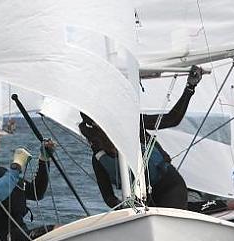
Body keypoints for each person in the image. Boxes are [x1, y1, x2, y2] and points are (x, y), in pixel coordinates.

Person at [79, 65, 204, 210]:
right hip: (142, 202)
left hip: (170, 187)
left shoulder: (132, 125)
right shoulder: (98, 159)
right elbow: (109, 197)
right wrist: (125, 207)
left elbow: (172, 119)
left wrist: (190, 87)